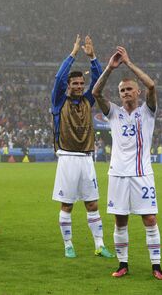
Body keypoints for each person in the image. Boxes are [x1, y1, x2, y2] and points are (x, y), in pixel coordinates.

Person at [92, 46, 162, 280]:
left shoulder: (148, 112)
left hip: (142, 173)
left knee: (150, 219)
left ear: (138, 92)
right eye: (122, 90)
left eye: (129, 89)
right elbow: (96, 93)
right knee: (120, 220)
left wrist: (129, 63)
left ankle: (156, 266)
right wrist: (109, 68)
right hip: (118, 174)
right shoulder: (113, 113)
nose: (125, 93)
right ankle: (123, 264)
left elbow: (152, 85)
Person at [51, 35, 113, 259]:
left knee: (92, 204)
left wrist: (93, 57)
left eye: (80, 84)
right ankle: (68, 245)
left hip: (87, 159)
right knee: (67, 205)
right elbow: (58, 78)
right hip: (67, 158)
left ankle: (99, 245)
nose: (78, 86)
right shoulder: (59, 102)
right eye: (74, 84)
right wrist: (73, 53)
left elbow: (98, 80)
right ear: (68, 86)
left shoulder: (88, 99)